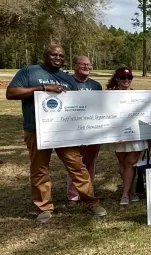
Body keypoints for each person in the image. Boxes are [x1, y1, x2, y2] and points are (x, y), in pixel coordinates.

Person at [6, 45, 106, 223]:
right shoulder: (29, 72)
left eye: (60, 55)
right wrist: (43, 88)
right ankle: (44, 207)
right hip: (36, 129)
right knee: (40, 169)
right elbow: (11, 93)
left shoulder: (66, 78)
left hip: (64, 130)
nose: (57, 57)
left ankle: (91, 201)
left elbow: (76, 105)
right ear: (45, 55)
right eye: (53, 54)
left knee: (77, 166)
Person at [105, 67, 151, 206]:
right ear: (117, 79)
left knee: (131, 162)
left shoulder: (138, 95)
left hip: (136, 135)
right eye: (123, 78)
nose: (126, 80)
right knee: (123, 162)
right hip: (118, 135)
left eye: (129, 78)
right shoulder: (109, 95)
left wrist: (149, 136)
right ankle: (130, 191)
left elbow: (146, 116)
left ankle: (125, 194)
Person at [66, 55, 102, 204]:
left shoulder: (96, 86)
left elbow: (102, 108)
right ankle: (73, 196)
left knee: (90, 163)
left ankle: (87, 192)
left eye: (88, 65)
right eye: (83, 65)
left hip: (93, 130)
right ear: (75, 65)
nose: (86, 67)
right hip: (72, 129)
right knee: (75, 163)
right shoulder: (66, 82)